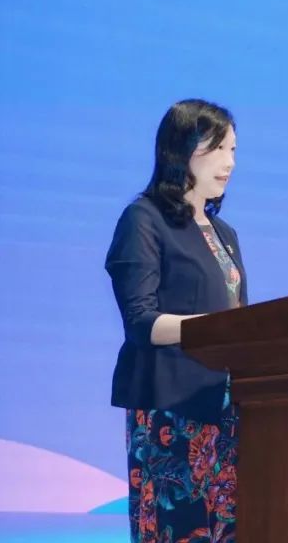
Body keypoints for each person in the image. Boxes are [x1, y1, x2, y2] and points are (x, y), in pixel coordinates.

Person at [105, 99, 246, 543]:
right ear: (180, 149)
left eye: (233, 150)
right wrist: (214, 328)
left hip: (227, 412)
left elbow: (240, 320)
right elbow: (140, 321)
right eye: (218, 148)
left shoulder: (225, 234)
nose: (229, 162)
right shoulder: (144, 219)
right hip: (171, 414)